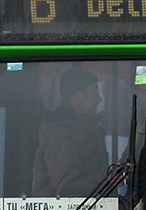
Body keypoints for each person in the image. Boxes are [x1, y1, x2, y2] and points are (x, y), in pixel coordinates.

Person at [31, 67, 109, 197]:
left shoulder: (89, 129)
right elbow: (66, 189)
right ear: (79, 96)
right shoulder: (60, 134)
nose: (99, 100)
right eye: (95, 92)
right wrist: (109, 181)